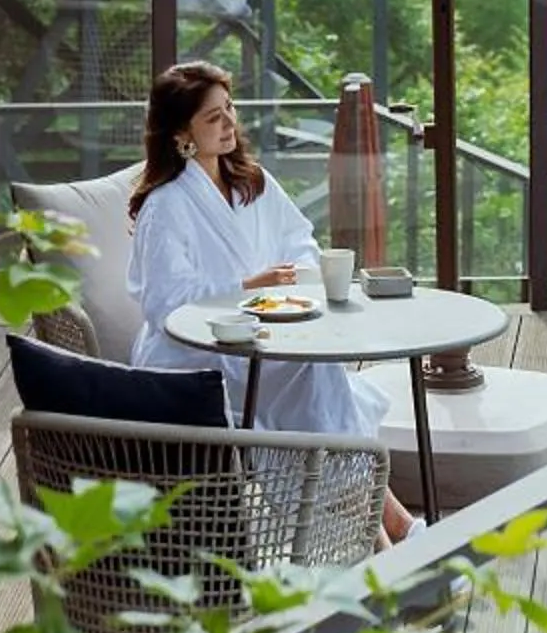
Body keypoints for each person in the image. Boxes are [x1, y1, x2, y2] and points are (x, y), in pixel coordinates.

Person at [126, 61, 418, 544]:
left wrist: (287, 285)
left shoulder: (252, 181)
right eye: (213, 118)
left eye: (230, 110)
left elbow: (300, 241)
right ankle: (395, 534)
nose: (229, 124)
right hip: (192, 353)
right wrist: (247, 285)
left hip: (268, 334)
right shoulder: (166, 206)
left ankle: (388, 538)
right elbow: (164, 303)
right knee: (316, 380)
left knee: (318, 372)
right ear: (182, 132)